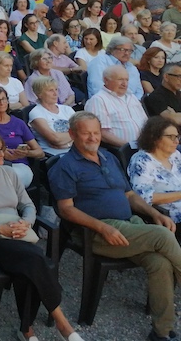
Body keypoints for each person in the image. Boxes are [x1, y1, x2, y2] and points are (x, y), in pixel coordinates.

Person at [49, 112, 181, 341]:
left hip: (130, 224)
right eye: (86, 133)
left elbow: (129, 194)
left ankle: (161, 332)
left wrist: (153, 213)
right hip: (100, 233)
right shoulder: (66, 166)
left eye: (97, 132)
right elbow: (66, 209)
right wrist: (102, 228)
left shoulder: (108, 157)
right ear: (72, 134)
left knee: (159, 263)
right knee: (162, 236)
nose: (93, 138)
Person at [0, 129, 84, 341]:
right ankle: (63, 325)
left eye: (3, 149)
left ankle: (26, 330)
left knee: (28, 269)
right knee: (37, 260)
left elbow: (27, 204)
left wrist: (26, 222)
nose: (2, 153)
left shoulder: (9, 174)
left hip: (17, 230)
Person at [0, 86, 43, 187]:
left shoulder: (18, 123)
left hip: (18, 166)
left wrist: (25, 153)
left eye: (3, 99)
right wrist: (0, 154)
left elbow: (40, 153)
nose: (1, 103)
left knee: (12, 177)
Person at [128, 116, 181, 223]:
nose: (176, 141)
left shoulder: (175, 155)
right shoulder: (142, 161)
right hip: (169, 214)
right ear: (154, 138)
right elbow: (144, 197)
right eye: (170, 137)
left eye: (177, 136)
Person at [28, 76, 77, 155]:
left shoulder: (67, 109)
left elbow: (82, 131)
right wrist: (75, 136)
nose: (55, 94)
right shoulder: (36, 113)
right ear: (39, 94)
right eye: (51, 90)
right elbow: (55, 139)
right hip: (56, 156)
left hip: (76, 151)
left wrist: (67, 143)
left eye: (56, 89)